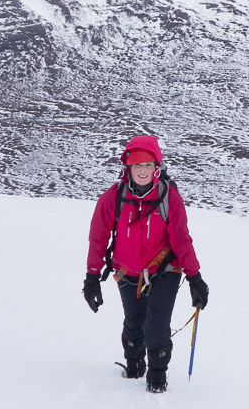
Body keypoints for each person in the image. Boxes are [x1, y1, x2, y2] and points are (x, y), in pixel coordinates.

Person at [83, 134, 209, 393]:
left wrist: (195, 278)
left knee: (156, 326)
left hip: (164, 270)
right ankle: (134, 366)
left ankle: (156, 378)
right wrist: (92, 277)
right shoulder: (112, 199)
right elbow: (98, 239)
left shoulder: (169, 198)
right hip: (126, 272)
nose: (142, 171)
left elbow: (182, 240)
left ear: (157, 168)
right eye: (137, 165)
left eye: (148, 165)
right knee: (133, 323)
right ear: (127, 168)